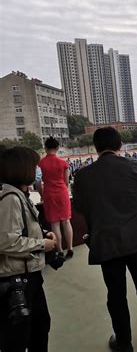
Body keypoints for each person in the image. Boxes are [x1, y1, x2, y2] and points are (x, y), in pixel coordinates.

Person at [73, 128, 137, 352]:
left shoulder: (83, 175)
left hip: (106, 241)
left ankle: (124, 341)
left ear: (96, 148)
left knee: (115, 294)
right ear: (120, 145)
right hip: (136, 237)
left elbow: (79, 207)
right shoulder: (133, 166)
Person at [0, 147, 57, 352]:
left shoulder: (19, 194)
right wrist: (42, 244)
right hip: (18, 277)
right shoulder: (11, 199)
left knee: (40, 326)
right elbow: (6, 241)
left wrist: (41, 236)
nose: (37, 170)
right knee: (18, 337)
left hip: (29, 273)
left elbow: (21, 230)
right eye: (34, 166)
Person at [37, 137, 74, 259]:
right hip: (62, 192)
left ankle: (59, 250)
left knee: (55, 224)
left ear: (45, 148)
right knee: (66, 221)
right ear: (57, 148)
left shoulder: (41, 163)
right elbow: (66, 181)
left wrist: (42, 196)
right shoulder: (64, 163)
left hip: (49, 193)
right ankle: (70, 248)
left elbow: (37, 184)